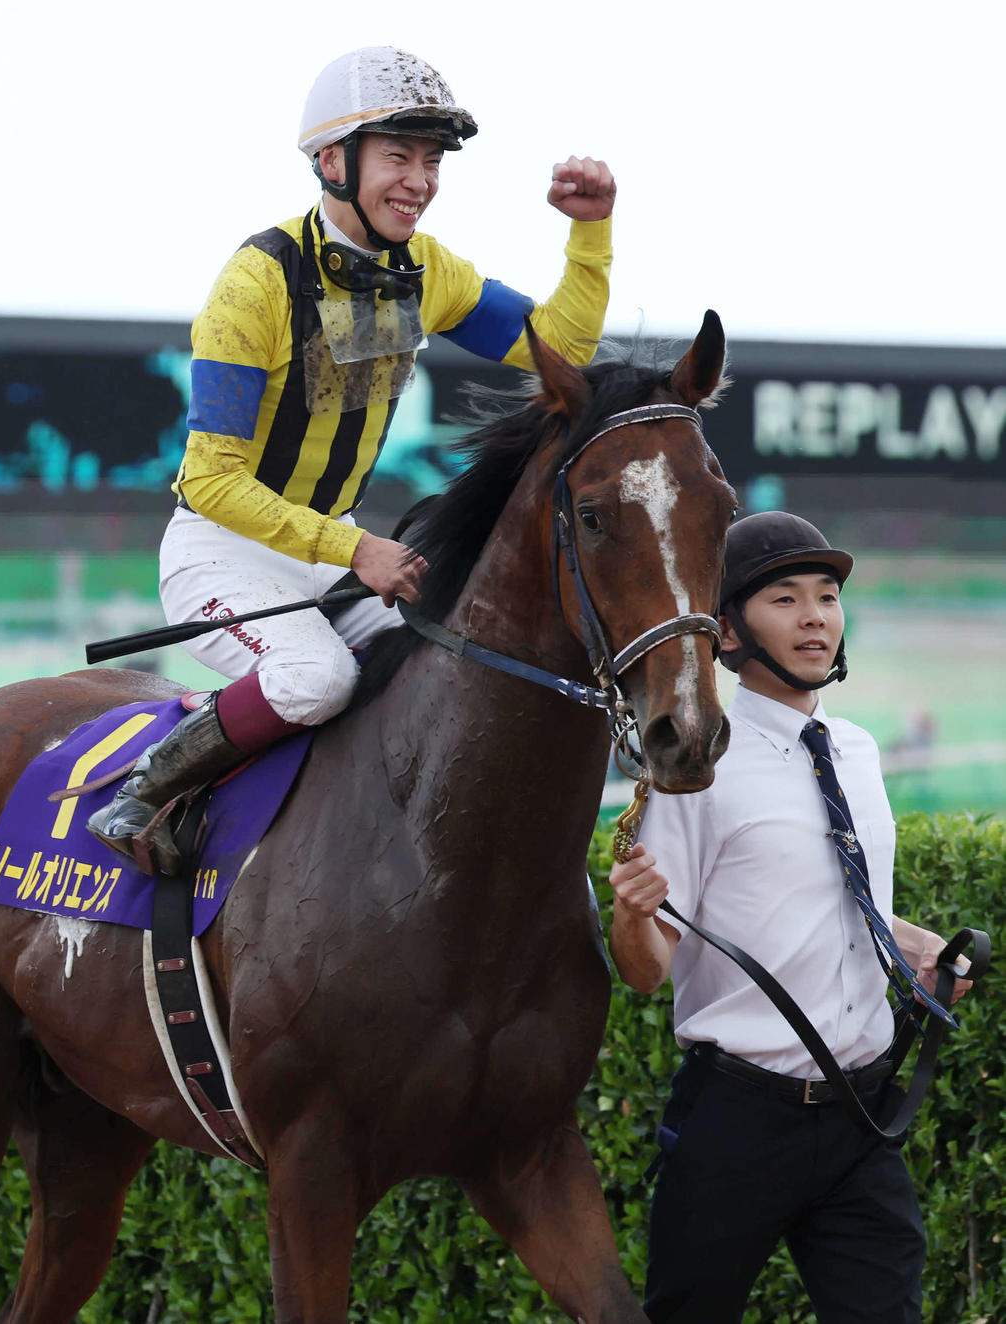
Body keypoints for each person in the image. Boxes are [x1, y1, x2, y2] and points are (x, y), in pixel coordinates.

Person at [89, 46, 617, 869]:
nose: (420, 180)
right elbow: (209, 479)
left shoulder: (426, 269)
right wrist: (356, 548)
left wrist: (590, 234)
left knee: (449, 660)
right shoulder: (255, 285)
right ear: (332, 161)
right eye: (398, 156)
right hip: (220, 555)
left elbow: (560, 347)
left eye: (431, 161)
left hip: (325, 557)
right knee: (318, 681)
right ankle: (145, 793)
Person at [608, 511, 975, 1323]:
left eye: (828, 595)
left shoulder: (855, 748)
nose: (816, 616)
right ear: (729, 632)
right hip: (738, 1121)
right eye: (785, 597)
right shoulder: (697, 768)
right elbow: (646, 968)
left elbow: (833, 896)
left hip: (862, 1117)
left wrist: (913, 946)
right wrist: (630, 915)